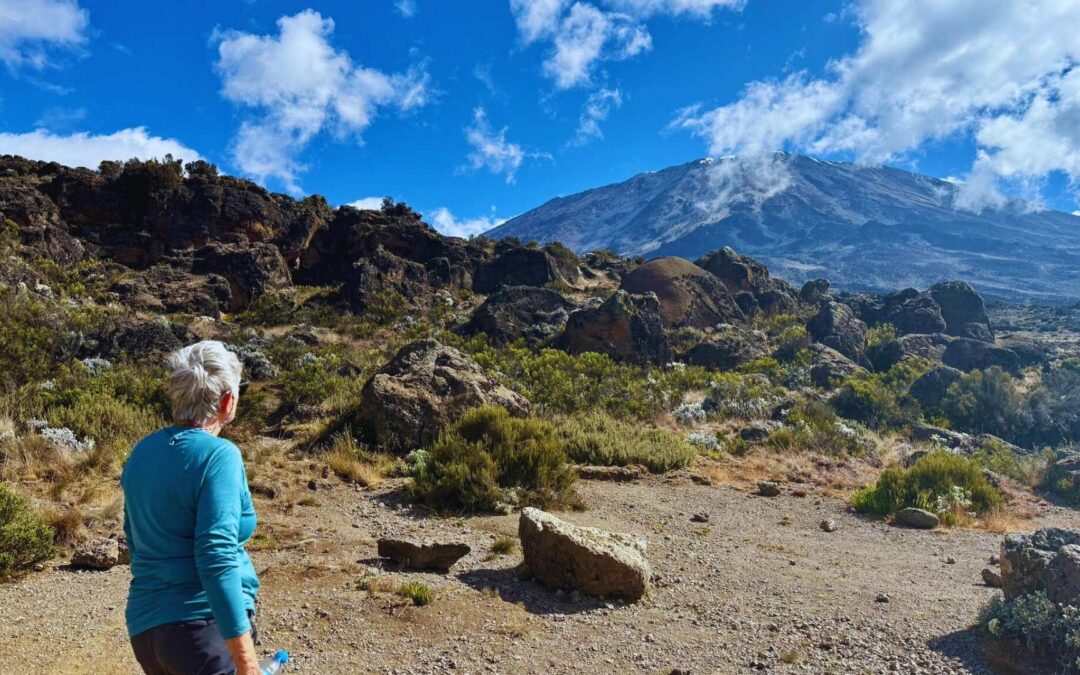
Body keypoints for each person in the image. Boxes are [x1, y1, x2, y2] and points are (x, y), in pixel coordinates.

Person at [122, 341, 262, 675]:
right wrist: (247, 663)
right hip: (202, 631)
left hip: (146, 631)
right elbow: (216, 555)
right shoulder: (220, 456)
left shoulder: (142, 453)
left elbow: (134, 541)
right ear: (227, 401)